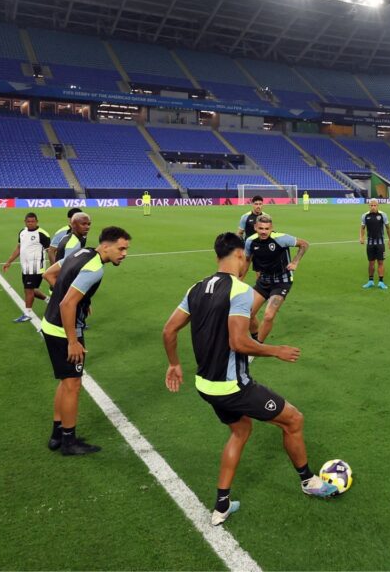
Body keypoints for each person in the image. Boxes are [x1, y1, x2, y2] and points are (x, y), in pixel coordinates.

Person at [162, 232, 338, 527]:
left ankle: (221, 505)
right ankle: (309, 482)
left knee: (240, 430)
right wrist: (276, 350)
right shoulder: (240, 290)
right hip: (232, 387)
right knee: (293, 420)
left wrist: (174, 364)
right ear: (241, 256)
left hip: (205, 384)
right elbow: (239, 343)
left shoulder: (196, 287)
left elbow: (168, 331)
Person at [40, 226, 131, 455]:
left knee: (65, 381)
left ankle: (57, 435)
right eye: (121, 248)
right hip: (64, 331)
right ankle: (69, 442)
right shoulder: (95, 268)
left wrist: (80, 299)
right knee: (73, 384)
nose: (124, 254)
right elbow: (67, 304)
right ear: (106, 246)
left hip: (49, 324)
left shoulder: (81, 253)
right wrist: (73, 340)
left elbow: (49, 275)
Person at [244, 214, 308, 343]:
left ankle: (258, 347)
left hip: (281, 282)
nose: (263, 231)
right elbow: (247, 261)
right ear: (256, 227)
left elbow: (304, 244)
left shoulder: (281, 239)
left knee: (268, 316)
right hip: (263, 282)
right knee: (247, 314)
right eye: (261, 228)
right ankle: (255, 338)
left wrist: (295, 261)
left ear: (271, 228)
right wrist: (239, 280)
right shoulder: (250, 241)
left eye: (267, 229)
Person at [3, 212, 51, 323]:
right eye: (28, 221)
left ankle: (27, 313)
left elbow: (50, 251)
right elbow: (19, 248)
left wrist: (54, 266)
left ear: (37, 221)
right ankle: (48, 299)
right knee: (31, 289)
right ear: (25, 222)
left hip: (36, 267)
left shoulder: (42, 234)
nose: (30, 223)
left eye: (33, 221)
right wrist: (9, 261)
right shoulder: (22, 232)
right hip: (25, 267)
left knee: (28, 290)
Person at [359, 198, 390, 290]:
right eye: (371, 205)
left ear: (378, 206)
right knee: (371, 263)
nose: (373, 207)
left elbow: (388, 228)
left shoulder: (383, 215)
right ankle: (370, 281)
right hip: (370, 243)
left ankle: (381, 282)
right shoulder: (365, 216)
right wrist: (361, 237)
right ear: (369, 206)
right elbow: (362, 228)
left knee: (380, 262)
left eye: (375, 205)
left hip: (380, 243)